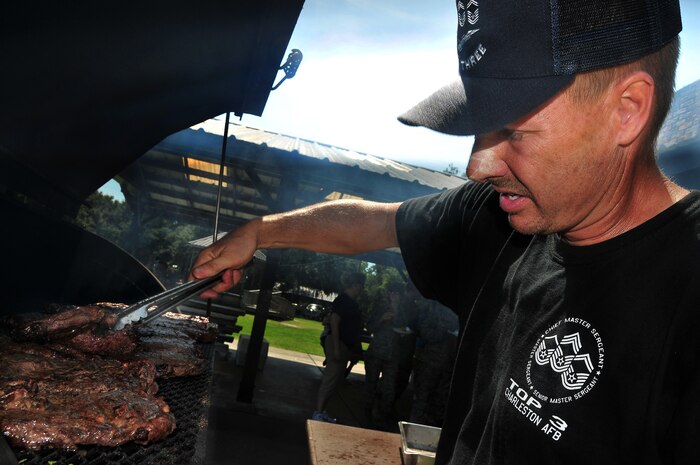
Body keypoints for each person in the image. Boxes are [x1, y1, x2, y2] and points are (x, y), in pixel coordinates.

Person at [190, 1, 697, 463]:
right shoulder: (495, 217)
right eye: (479, 126)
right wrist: (260, 232)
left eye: (512, 132)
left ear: (626, 111)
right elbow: (375, 221)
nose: (478, 165)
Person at [311, 271, 365, 423]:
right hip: (337, 342)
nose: (362, 289)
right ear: (355, 285)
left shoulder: (352, 302)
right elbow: (334, 322)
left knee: (335, 382)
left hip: (344, 344)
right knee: (330, 380)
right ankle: (318, 412)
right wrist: (336, 348)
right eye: (361, 286)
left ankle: (323, 411)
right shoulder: (343, 300)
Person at [408, 300, 459, 427]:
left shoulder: (458, 310)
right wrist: (446, 329)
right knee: (422, 401)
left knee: (440, 403)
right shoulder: (430, 307)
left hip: (448, 366)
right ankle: (414, 432)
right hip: (429, 363)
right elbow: (425, 333)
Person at [363, 281, 405, 428]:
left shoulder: (404, 311)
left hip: (392, 356)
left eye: (397, 293)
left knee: (388, 390)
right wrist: (381, 319)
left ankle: (382, 418)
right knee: (371, 385)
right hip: (376, 353)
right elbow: (369, 327)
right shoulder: (380, 308)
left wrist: (397, 315)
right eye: (392, 293)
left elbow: (407, 328)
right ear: (388, 294)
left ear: (401, 296)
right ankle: (366, 416)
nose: (394, 296)